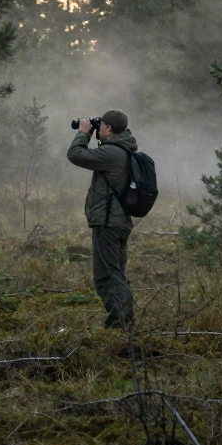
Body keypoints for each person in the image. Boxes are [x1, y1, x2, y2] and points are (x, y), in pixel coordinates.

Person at [66, 109, 136, 329]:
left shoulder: (113, 152)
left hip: (108, 222)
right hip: (118, 222)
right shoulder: (123, 149)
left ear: (108, 128)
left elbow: (75, 155)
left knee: (106, 276)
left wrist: (83, 133)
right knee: (115, 273)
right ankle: (124, 322)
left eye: (101, 125)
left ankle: (120, 323)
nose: (99, 128)